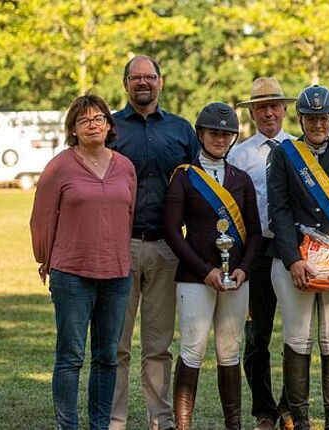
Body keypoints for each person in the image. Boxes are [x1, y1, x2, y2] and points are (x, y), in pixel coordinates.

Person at [30, 94, 136, 430]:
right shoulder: (59, 166)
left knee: (107, 357)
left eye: (99, 118)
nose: (93, 124)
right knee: (71, 356)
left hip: (117, 274)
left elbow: (128, 216)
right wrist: (44, 257)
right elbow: (42, 218)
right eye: (84, 120)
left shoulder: (125, 167)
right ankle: (68, 425)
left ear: (109, 125)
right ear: (73, 129)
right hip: (72, 273)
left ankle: (100, 425)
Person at [109, 55, 200, 430]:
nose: (142, 83)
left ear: (161, 82)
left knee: (158, 346)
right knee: (116, 345)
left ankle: (160, 419)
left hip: (167, 249)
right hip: (118, 247)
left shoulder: (181, 130)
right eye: (136, 77)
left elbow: (199, 190)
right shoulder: (110, 128)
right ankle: (114, 419)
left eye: (149, 77)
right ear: (125, 83)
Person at [267, 84, 329, 430]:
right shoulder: (283, 154)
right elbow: (278, 209)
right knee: (297, 339)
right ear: (301, 119)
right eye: (311, 118)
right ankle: (302, 421)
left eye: (324, 117)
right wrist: (293, 259)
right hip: (297, 262)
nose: (318, 124)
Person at [163, 102, 261, 430]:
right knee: (192, 348)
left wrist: (244, 269)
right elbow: (172, 232)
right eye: (213, 133)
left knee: (230, 350)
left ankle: (233, 425)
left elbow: (256, 234)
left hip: (236, 277)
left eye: (226, 133)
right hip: (195, 277)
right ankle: (183, 425)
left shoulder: (242, 180)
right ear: (201, 134)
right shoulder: (184, 177)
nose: (219, 139)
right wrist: (205, 271)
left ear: (233, 137)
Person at [228, 77, 296, 430]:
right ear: (252, 112)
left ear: (285, 109)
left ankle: (290, 407)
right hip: (254, 253)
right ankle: (264, 411)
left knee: (296, 334)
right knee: (257, 337)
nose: (269, 112)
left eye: (275, 105)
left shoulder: (299, 150)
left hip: (290, 251)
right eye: (261, 106)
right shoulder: (238, 155)